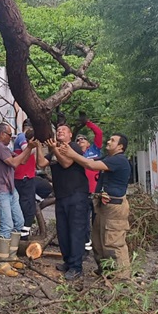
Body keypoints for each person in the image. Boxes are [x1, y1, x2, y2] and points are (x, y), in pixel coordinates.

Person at [59, 133, 132, 280]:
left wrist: (72, 154)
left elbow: (90, 165)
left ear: (120, 146)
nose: (108, 141)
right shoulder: (108, 158)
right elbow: (89, 161)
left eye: (112, 140)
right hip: (103, 206)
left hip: (115, 208)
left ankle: (121, 276)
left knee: (113, 241)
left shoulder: (119, 160)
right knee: (98, 240)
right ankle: (105, 270)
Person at [0, 123, 39, 277]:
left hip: (10, 189)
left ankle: (11, 257)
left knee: (19, 221)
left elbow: (22, 160)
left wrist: (30, 148)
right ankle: (0, 263)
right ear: (1, 134)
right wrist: (29, 147)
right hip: (1, 190)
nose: (11, 138)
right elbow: (14, 163)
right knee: (6, 225)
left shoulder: (5, 148)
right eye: (9, 135)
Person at [45, 123, 91, 281]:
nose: (60, 131)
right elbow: (41, 163)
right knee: (63, 231)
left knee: (76, 231)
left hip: (76, 194)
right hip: (61, 196)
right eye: (58, 130)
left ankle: (76, 267)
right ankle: (68, 261)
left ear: (70, 134)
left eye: (63, 130)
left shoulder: (73, 147)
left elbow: (66, 163)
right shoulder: (54, 149)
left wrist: (54, 149)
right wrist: (36, 147)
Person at [13, 120, 49, 238]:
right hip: (22, 176)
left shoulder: (30, 139)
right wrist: (37, 146)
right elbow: (26, 150)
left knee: (46, 187)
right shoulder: (22, 137)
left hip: (30, 175)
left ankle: (35, 198)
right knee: (27, 208)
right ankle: (23, 233)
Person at [75, 114, 103, 254]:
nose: (80, 141)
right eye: (78, 140)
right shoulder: (75, 155)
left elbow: (99, 133)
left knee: (97, 221)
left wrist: (88, 122)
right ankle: (86, 247)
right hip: (83, 192)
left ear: (88, 143)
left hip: (96, 191)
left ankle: (99, 248)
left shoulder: (95, 150)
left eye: (83, 139)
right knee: (84, 221)